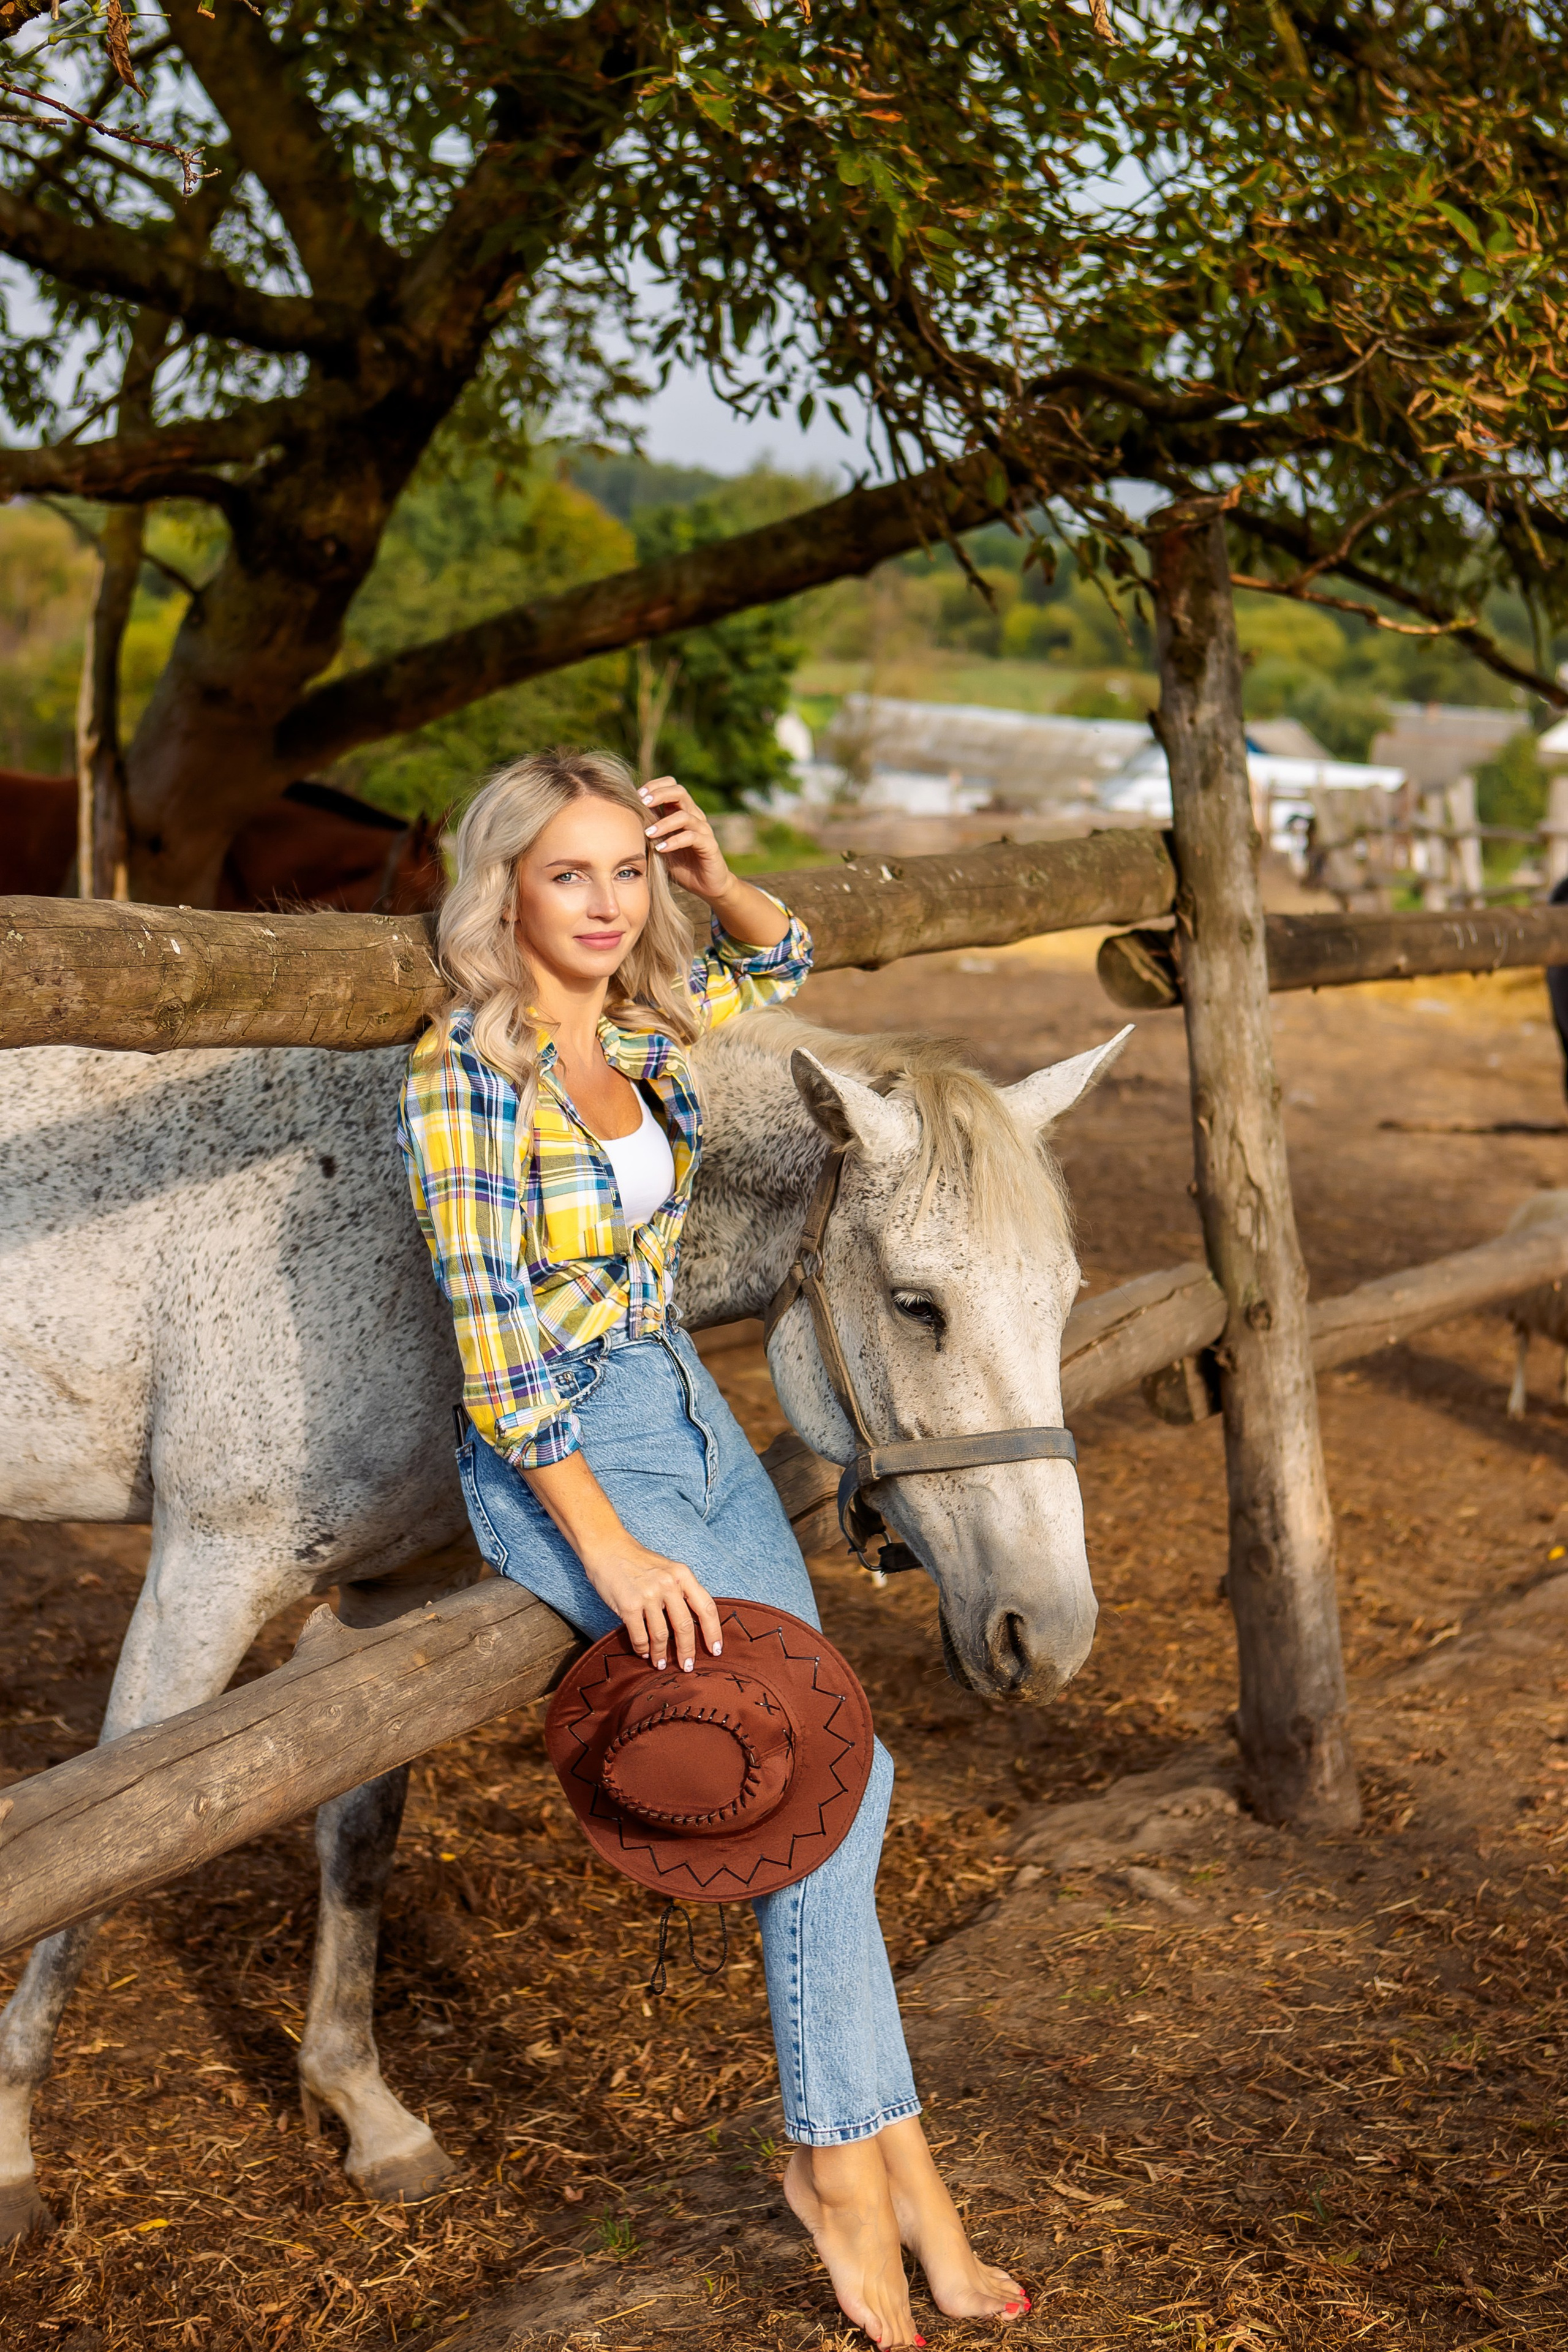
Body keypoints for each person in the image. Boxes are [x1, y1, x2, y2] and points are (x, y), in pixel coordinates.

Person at [398, 747, 1029, 2349]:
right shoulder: (460, 1077)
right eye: (569, 875)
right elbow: (495, 1350)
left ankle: (892, 2178)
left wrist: (718, 863)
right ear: (504, 893)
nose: (606, 905)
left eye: (627, 871)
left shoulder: (645, 1035)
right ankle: (851, 2172)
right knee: (820, 1779)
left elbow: (780, 961)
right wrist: (606, 1552)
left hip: (682, 1404)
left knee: (842, 1769)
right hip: (569, 1450)